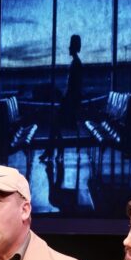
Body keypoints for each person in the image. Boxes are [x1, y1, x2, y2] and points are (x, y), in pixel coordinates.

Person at [40, 34, 83, 163]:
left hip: (70, 105)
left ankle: (54, 149)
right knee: (54, 123)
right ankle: (56, 148)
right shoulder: (76, 64)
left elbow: (73, 88)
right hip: (71, 103)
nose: (69, 48)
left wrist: (64, 99)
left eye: (70, 46)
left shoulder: (76, 64)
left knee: (54, 123)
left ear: (73, 47)